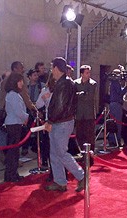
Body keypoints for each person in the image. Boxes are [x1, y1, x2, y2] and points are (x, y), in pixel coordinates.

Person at [44, 57, 84, 192]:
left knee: (60, 153)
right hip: (62, 122)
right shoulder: (66, 82)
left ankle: (82, 176)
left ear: (56, 68)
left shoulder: (64, 84)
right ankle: (60, 181)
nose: (51, 71)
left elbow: (59, 106)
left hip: (61, 123)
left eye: (52, 68)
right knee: (55, 153)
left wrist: (50, 120)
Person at [4, 73, 29, 182]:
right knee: (13, 152)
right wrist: (26, 117)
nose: (22, 83)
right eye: (20, 81)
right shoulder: (13, 95)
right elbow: (18, 111)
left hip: (14, 124)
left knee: (13, 152)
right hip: (14, 124)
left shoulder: (13, 94)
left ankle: (12, 173)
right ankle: (11, 174)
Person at [74, 65, 97, 157]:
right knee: (79, 134)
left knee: (90, 135)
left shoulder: (93, 84)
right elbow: (73, 96)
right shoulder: (75, 83)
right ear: (82, 73)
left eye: (89, 72)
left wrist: (79, 94)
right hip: (79, 113)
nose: (88, 75)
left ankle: (90, 153)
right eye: (87, 73)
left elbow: (89, 97)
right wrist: (81, 94)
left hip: (89, 114)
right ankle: (81, 152)